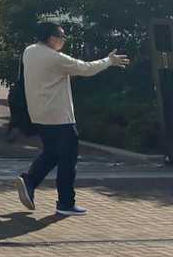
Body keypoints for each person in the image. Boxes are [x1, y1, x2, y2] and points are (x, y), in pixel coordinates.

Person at [15, 21, 128, 216]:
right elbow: (85, 68)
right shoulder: (54, 57)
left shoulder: (30, 51)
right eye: (62, 36)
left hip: (39, 113)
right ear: (52, 38)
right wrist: (109, 60)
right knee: (68, 159)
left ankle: (30, 181)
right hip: (59, 116)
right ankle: (66, 202)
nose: (64, 40)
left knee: (52, 153)